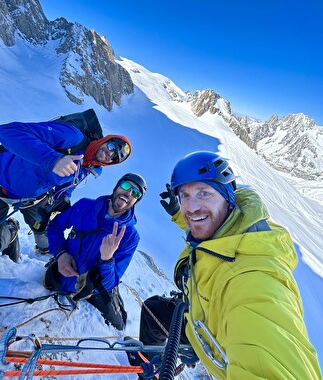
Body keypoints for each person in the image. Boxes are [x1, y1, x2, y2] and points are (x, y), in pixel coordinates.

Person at [132, 151, 322, 379]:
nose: (191, 207)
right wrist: (179, 215)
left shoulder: (253, 282)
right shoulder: (229, 230)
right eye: (185, 195)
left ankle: (151, 369)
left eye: (204, 193)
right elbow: (207, 225)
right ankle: (154, 363)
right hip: (201, 318)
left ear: (228, 196)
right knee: (154, 309)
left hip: (212, 333)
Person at [0, 116, 131, 260]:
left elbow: (70, 183)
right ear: (106, 140)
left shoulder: (90, 167)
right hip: (3, 184)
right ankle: (10, 230)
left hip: (34, 199)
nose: (110, 154)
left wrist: (63, 197)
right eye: (112, 146)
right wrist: (53, 159)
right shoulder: (72, 137)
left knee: (43, 231)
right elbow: (7, 131)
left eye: (115, 157)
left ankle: (37, 246)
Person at [43, 172, 147, 330]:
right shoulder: (85, 206)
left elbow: (110, 282)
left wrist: (106, 259)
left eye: (136, 193)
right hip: (63, 275)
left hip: (94, 289)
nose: (129, 193)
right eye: (126, 186)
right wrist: (61, 254)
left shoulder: (130, 236)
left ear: (136, 201)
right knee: (49, 282)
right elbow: (55, 227)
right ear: (116, 186)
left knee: (119, 324)